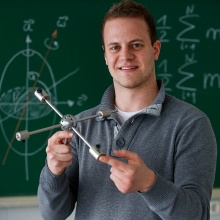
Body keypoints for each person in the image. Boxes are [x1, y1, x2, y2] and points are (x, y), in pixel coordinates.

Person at [37, 0, 217, 219]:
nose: (125, 56)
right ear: (105, 55)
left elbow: (197, 214)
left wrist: (150, 184)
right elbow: (52, 214)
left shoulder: (191, 124)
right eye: (115, 47)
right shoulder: (80, 125)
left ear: (155, 49)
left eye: (137, 45)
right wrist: (53, 173)